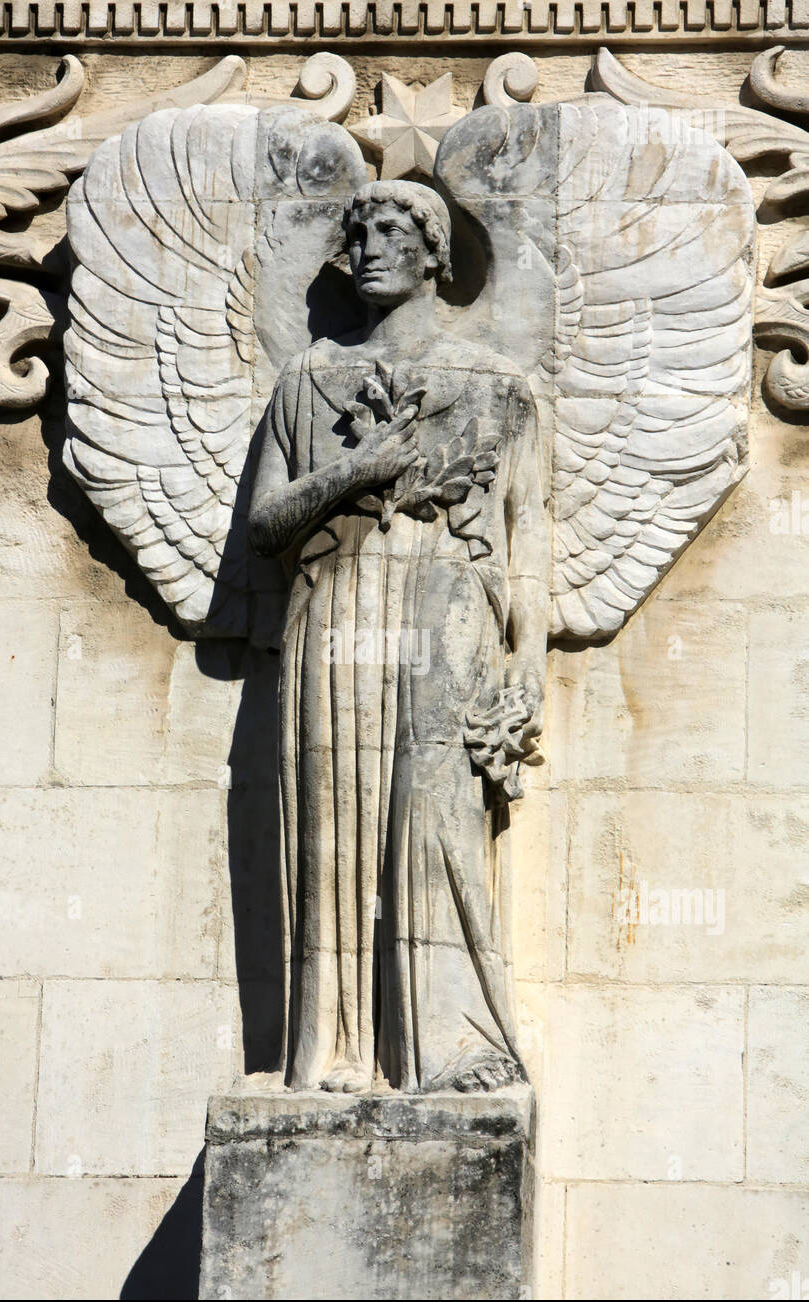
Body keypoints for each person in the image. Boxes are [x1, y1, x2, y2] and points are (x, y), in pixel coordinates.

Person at [249, 180, 549, 1093]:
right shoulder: (307, 379)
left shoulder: (501, 387)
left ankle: (455, 1043)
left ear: (435, 255)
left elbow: (528, 541)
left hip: (451, 610)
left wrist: (527, 663)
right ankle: (332, 1051)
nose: (369, 247)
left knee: (438, 812)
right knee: (335, 825)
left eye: (392, 231)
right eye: (358, 233)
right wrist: (356, 471)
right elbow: (265, 524)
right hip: (332, 612)